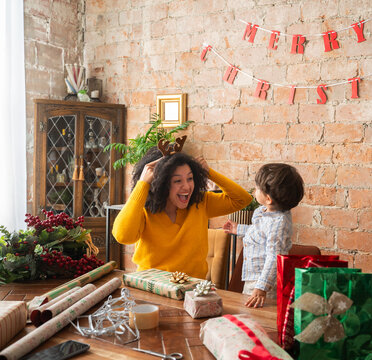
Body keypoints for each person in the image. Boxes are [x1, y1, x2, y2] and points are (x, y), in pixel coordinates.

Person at [112, 146, 252, 279]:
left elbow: (243, 199)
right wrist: (143, 184)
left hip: (191, 289)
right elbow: (123, 236)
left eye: (190, 178)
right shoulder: (143, 210)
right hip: (151, 286)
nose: (187, 186)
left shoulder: (201, 202)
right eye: (178, 180)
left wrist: (208, 173)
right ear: (160, 183)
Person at [223, 163, 304, 308]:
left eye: (257, 188)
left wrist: (262, 287)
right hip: (253, 278)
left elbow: (275, 257)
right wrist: (238, 228)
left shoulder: (278, 223)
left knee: (255, 318)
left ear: (268, 198)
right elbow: (260, 233)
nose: (255, 190)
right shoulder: (266, 212)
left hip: (264, 284)